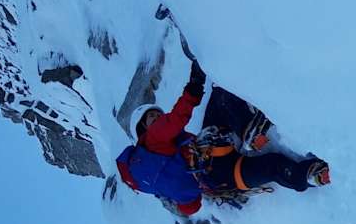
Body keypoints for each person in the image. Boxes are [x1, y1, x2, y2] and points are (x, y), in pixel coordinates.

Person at [115, 61, 329, 215]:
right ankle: (250, 131)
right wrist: (194, 86)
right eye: (152, 117)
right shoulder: (152, 139)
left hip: (224, 181)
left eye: (157, 115)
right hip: (214, 159)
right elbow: (176, 119)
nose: (158, 118)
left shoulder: (157, 185)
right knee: (220, 98)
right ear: (142, 130)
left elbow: (191, 207)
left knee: (273, 166)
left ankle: (309, 176)